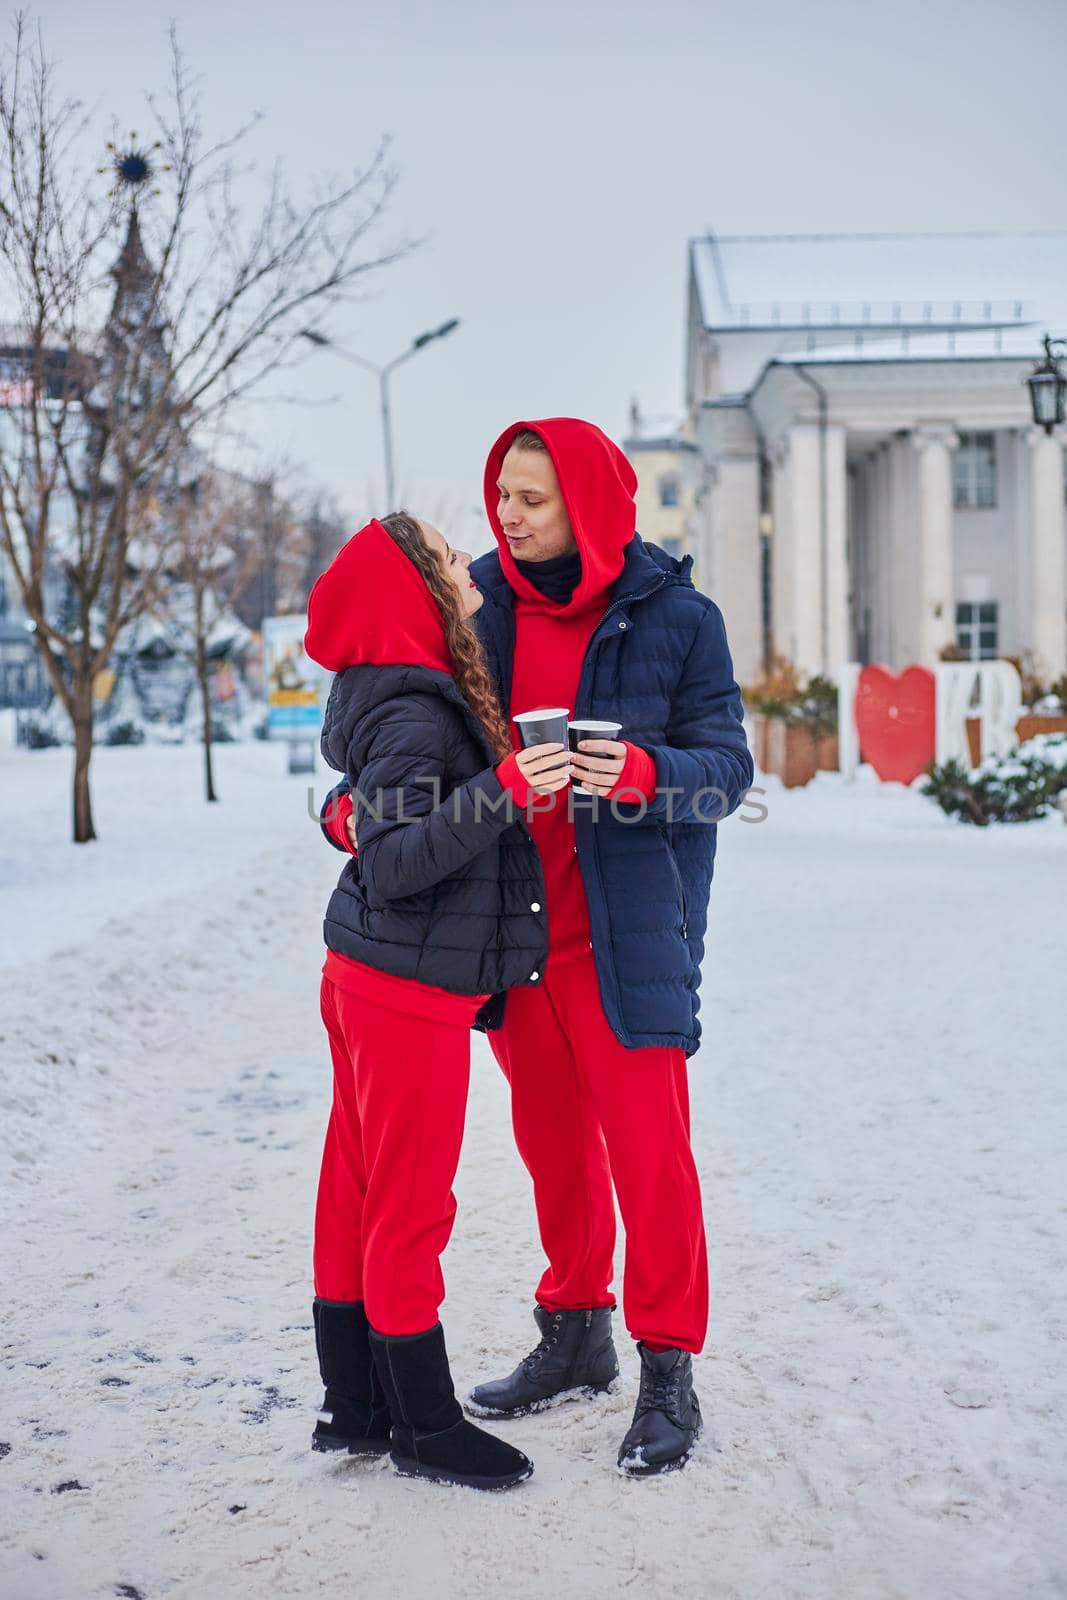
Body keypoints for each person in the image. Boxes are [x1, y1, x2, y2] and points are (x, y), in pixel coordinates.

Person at [322, 420, 753, 1476]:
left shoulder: (678, 619)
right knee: (551, 1148)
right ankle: (573, 1330)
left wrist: (642, 773)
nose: (504, 516)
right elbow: (391, 743)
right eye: (500, 494)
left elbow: (727, 772)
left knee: (649, 1156)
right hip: (506, 947)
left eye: (530, 499)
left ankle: (665, 1367)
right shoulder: (479, 603)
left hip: (625, 935)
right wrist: (346, 820)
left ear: (590, 509)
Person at [304, 510, 575, 1492]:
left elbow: (378, 829)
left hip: (370, 974)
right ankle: (421, 1422)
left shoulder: (396, 688)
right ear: (411, 592)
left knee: (357, 1187)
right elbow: (399, 858)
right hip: (404, 987)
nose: (468, 563)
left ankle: (354, 1405)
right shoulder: (414, 706)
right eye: (448, 559)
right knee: (408, 1204)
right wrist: (503, 785)